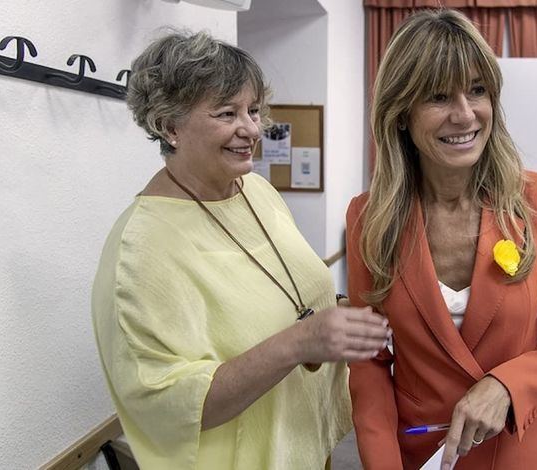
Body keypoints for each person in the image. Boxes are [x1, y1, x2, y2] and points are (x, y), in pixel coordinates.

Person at [91, 31, 391, 469]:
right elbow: (173, 406)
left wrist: (343, 314)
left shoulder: (256, 190)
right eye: (226, 113)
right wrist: (299, 342)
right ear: (169, 126)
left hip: (306, 448)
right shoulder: (140, 251)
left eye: (253, 110)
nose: (251, 129)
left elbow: (286, 293)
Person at [345, 10, 537, 470]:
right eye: (438, 97)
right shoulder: (369, 217)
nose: (465, 114)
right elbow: (369, 365)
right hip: (423, 453)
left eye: (477, 90)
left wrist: (506, 385)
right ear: (400, 114)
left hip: (527, 449)